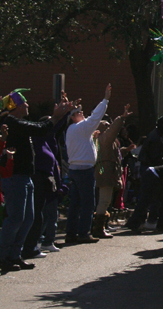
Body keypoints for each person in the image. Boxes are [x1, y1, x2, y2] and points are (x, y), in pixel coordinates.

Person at [0, 89, 74, 272]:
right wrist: (56, 116)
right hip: (14, 177)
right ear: (15, 107)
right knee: (16, 218)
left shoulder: (19, 122)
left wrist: (61, 115)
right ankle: (3, 256)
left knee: (28, 219)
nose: (27, 105)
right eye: (24, 103)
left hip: (26, 177)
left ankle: (15, 255)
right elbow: (41, 129)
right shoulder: (11, 122)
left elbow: (44, 130)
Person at [64, 84, 111, 245]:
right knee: (87, 203)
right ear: (72, 117)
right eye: (78, 112)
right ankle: (84, 232)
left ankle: (71, 232)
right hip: (84, 170)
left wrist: (92, 137)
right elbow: (95, 117)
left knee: (75, 203)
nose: (82, 113)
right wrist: (105, 99)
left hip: (74, 169)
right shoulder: (81, 127)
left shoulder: (72, 130)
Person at [93, 105, 134, 238]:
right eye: (107, 125)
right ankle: (99, 227)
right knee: (104, 200)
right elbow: (113, 130)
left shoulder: (106, 142)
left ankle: (102, 225)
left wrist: (125, 150)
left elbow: (113, 154)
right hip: (106, 173)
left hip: (107, 172)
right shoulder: (104, 139)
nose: (109, 126)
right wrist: (121, 118)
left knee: (106, 200)